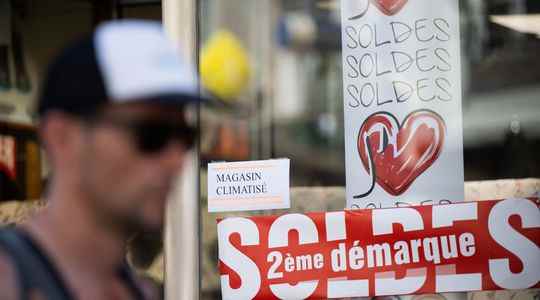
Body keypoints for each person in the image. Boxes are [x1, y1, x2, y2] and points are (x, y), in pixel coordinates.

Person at [0, 20, 204, 299]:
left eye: (186, 137)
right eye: (151, 135)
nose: (176, 160)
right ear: (62, 137)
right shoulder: (9, 278)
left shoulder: (138, 290)